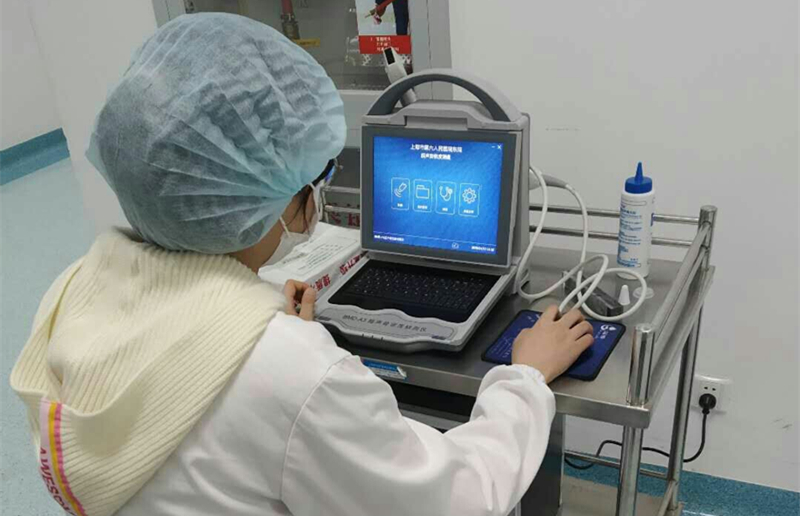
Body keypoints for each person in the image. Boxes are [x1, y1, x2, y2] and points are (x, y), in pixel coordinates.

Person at [10, 13, 594, 516]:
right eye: (314, 177)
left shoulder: (72, 293)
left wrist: (267, 325)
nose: (318, 193)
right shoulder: (290, 373)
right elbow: (456, 498)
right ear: (259, 192)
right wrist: (524, 378)